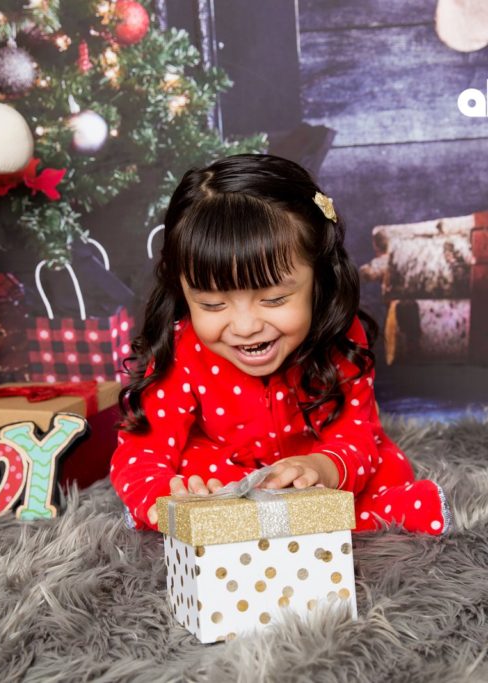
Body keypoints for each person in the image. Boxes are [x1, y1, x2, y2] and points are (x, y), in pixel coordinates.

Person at [111, 154, 450, 535]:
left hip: (315, 476)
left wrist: (322, 468)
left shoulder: (338, 333)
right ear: (182, 290)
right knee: (189, 477)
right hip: (225, 481)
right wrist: (164, 500)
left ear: (319, 279)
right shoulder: (181, 348)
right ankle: (228, 522)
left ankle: (361, 514)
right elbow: (143, 450)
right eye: (212, 305)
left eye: (273, 300)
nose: (245, 327)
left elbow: (354, 433)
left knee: (382, 467)